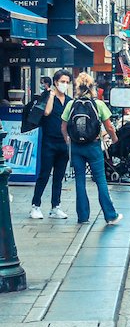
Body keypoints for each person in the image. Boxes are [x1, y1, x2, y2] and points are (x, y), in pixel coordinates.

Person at [61, 72, 122, 227]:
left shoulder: (71, 104)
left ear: (77, 88)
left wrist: (69, 140)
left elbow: (63, 126)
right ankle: (110, 215)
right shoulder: (98, 104)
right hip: (93, 147)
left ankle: (82, 217)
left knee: (80, 181)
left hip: (76, 147)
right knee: (101, 181)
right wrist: (114, 140)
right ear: (92, 87)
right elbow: (109, 126)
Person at [29, 70, 72, 221]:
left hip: (63, 143)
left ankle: (55, 206)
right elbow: (46, 113)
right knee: (44, 174)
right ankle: (35, 205)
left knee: (59, 176)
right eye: (62, 81)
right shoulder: (47, 97)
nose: (64, 84)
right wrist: (52, 95)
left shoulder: (69, 100)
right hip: (49, 142)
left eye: (67, 82)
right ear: (55, 82)